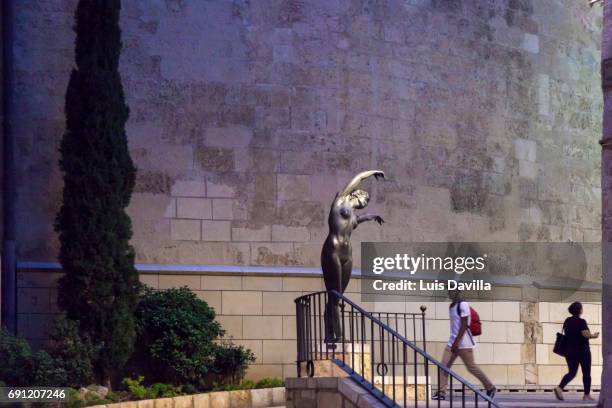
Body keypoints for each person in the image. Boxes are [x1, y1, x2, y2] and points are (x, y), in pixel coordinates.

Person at [321, 170, 385, 343]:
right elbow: (357, 179)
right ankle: (339, 337)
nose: (366, 202)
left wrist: (373, 216)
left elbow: (361, 219)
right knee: (335, 295)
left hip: (346, 254)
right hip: (332, 250)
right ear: (356, 194)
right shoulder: (341, 201)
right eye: (366, 198)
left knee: (338, 295)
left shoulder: (353, 218)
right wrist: (373, 173)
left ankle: (328, 334)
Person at [432, 290, 496, 401]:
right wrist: (454, 342)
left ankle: (490, 387)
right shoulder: (452, 306)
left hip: (464, 343)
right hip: (452, 343)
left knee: (471, 367)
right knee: (443, 366)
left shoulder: (463, 304)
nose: (450, 293)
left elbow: (464, 324)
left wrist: (457, 342)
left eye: (452, 291)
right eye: (449, 291)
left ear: (458, 292)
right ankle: (441, 392)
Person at [554, 301, 599, 401]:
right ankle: (586, 395)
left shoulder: (567, 321)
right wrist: (594, 336)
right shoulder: (581, 321)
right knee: (586, 373)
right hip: (583, 351)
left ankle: (559, 387)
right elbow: (585, 334)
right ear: (580, 310)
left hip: (569, 351)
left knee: (572, 372)